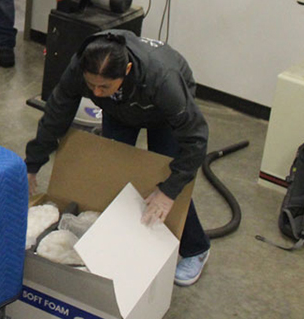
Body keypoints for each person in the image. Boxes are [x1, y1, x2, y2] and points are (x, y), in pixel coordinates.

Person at [24, 30, 211, 286]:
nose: (97, 93)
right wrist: (33, 164)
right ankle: (121, 236)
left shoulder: (164, 81)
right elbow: (57, 113)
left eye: (104, 86)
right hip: (121, 105)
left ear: (127, 70)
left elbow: (196, 139)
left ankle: (196, 248)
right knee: (115, 170)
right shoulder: (83, 66)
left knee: (164, 177)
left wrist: (169, 191)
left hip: (163, 111)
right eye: (91, 86)